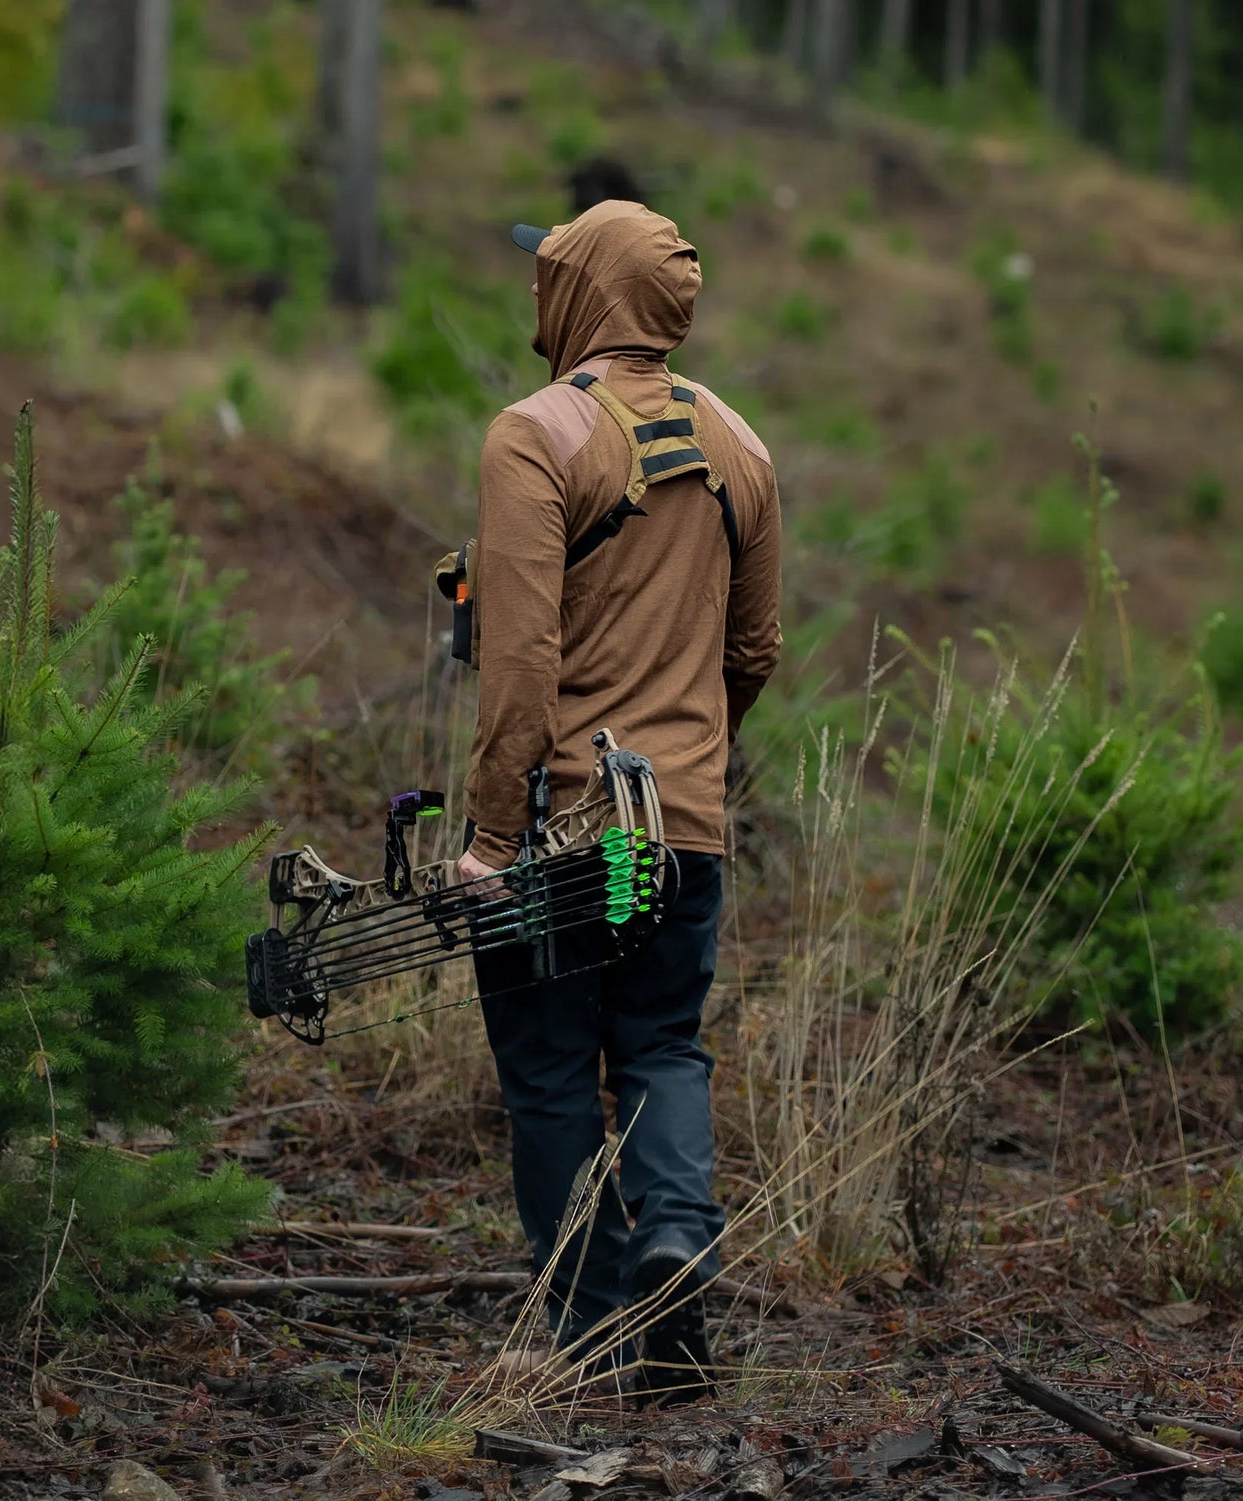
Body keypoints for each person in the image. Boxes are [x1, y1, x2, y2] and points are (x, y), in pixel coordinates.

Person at [455, 199, 781, 1403]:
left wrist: (494, 840)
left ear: (581, 294)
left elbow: (519, 662)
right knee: (659, 1041)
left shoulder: (535, 434)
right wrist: (691, 762)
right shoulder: (741, 445)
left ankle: (593, 1340)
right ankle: (680, 1241)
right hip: (683, 830)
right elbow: (754, 650)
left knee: (548, 1069)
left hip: (563, 837)